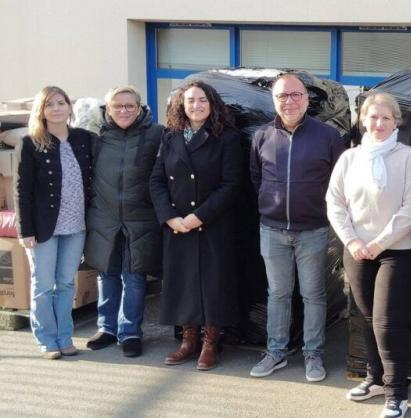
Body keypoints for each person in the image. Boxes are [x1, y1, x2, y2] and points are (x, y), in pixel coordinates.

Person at [327, 92, 411, 418]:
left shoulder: (407, 157)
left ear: (396, 121)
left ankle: (397, 393)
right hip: (358, 249)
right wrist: (353, 240)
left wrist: (380, 242)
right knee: (365, 319)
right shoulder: (350, 158)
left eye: (386, 118)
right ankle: (374, 379)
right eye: (373, 117)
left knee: (387, 323)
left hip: (398, 252)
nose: (379, 124)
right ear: (363, 120)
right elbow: (335, 203)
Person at [249, 73, 345, 382]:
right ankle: (276, 351)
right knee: (277, 293)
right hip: (272, 229)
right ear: (273, 101)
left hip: (314, 230)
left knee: (313, 294)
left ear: (306, 98)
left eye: (296, 95)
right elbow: (256, 178)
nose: (289, 101)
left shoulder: (328, 137)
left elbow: (338, 182)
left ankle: (312, 353)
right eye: (282, 96)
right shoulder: (261, 136)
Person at [150, 80, 245, 371]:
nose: (196, 105)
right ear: (182, 105)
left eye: (202, 100)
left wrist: (198, 217)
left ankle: (210, 343)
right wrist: (169, 217)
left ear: (212, 103)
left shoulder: (227, 138)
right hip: (177, 226)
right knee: (183, 284)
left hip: (211, 224)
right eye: (190, 100)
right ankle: (187, 341)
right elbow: (156, 181)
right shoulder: (170, 136)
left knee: (212, 285)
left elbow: (231, 185)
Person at [83, 86, 164, 357]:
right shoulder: (96, 136)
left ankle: (130, 332)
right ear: (107, 109)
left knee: (134, 276)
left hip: (140, 218)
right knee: (107, 273)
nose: (124, 111)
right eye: (117, 106)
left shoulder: (156, 134)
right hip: (104, 216)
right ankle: (106, 328)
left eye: (130, 106)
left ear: (140, 108)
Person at [14, 86, 92, 359]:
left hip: (76, 227)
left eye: (61, 102)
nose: (56, 108)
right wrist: (25, 231)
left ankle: (64, 336)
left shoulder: (84, 139)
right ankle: (47, 340)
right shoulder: (30, 142)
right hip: (43, 228)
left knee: (66, 284)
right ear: (41, 110)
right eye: (50, 104)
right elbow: (22, 190)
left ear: (70, 107)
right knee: (43, 285)